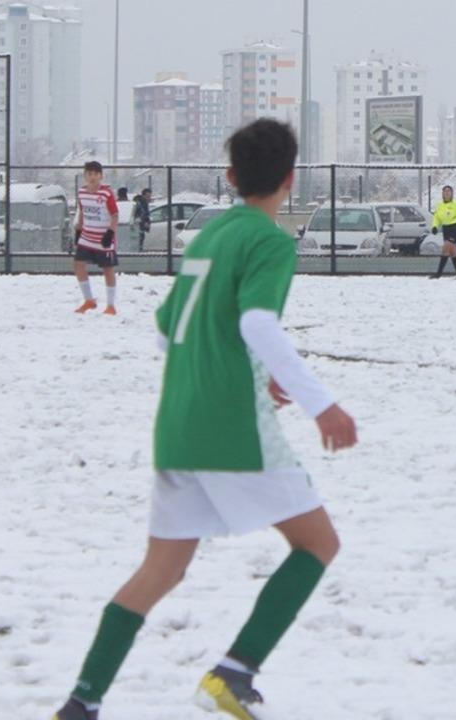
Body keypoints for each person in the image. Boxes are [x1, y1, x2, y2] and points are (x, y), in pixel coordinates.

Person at [51, 119, 359, 720]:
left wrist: (234, 367)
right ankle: (234, 675)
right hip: (232, 428)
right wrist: (321, 402)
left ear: (229, 176)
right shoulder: (270, 240)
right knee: (318, 543)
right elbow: (256, 324)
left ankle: (80, 705)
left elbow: (169, 329)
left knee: (161, 569)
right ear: (290, 180)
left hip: (178, 423)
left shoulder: (208, 236)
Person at [72, 161, 120, 315]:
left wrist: (110, 233)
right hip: (87, 236)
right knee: (78, 264)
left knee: (107, 269)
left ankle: (111, 305)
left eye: (95, 174)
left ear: (100, 176)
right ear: (85, 176)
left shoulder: (106, 193)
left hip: (103, 238)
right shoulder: (81, 192)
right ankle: (89, 300)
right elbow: (82, 212)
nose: (92, 177)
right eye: (89, 174)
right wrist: (78, 231)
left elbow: (115, 214)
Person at [429, 185, 456, 279]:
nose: (447, 193)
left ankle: (438, 274)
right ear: (442, 194)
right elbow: (436, 218)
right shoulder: (439, 205)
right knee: (452, 252)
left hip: (455, 228)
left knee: (446, 248)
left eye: (449, 191)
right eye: (445, 191)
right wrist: (434, 226)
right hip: (446, 228)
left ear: (452, 193)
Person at [134, 187, 152, 252]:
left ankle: (139, 250)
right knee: (139, 241)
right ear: (143, 195)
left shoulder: (143, 202)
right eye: (148, 196)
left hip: (140, 226)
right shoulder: (140, 203)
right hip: (139, 226)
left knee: (140, 241)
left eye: (150, 196)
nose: (149, 198)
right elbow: (143, 214)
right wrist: (145, 222)